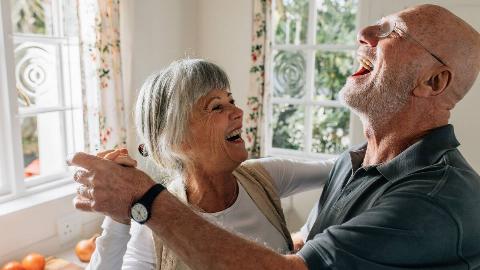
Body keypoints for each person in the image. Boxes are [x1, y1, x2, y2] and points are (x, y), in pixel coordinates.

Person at [70, 4, 480, 270]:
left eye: (393, 32)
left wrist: (142, 200)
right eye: (215, 106)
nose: (365, 32)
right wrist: (124, 216)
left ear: (434, 80)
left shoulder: (433, 199)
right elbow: (313, 246)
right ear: (175, 139)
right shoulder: (353, 164)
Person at [82, 59, 334, 269]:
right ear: (177, 139)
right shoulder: (151, 223)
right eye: (216, 106)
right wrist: (117, 219)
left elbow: (343, 169)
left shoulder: (265, 176)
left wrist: (307, 236)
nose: (238, 112)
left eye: (231, 101)